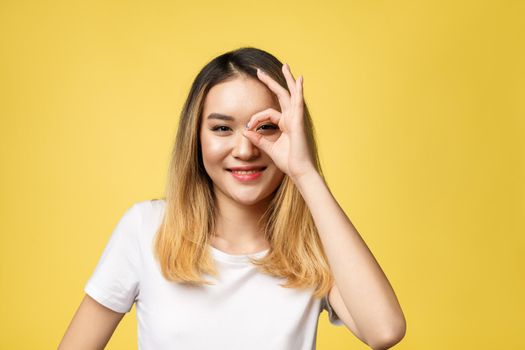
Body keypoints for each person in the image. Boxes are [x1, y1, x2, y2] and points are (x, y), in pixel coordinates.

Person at [58, 47, 406, 350]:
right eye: (222, 128)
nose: (244, 149)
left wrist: (305, 173)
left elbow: (384, 331)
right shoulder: (145, 229)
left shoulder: (314, 247)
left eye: (266, 127)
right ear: (196, 138)